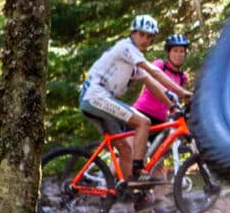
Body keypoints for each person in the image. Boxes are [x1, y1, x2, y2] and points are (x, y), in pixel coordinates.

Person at [79, 16, 185, 186]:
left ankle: (125, 190)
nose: (145, 40)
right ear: (133, 33)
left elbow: (152, 84)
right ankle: (138, 169)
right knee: (143, 122)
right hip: (95, 97)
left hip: (97, 100)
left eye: (149, 37)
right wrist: (183, 92)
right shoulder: (126, 48)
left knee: (125, 148)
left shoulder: (132, 61)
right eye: (142, 35)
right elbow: (154, 72)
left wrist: (171, 104)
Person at [129, 35, 192, 180]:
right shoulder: (159, 65)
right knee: (131, 154)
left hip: (160, 121)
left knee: (158, 158)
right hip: (141, 114)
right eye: (175, 51)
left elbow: (177, 100)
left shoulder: (183, 77)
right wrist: (168, 95)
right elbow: (151, 84)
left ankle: (155, 197)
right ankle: (104, 182)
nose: (178, 54)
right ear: (168, 53)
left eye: (182, 51)